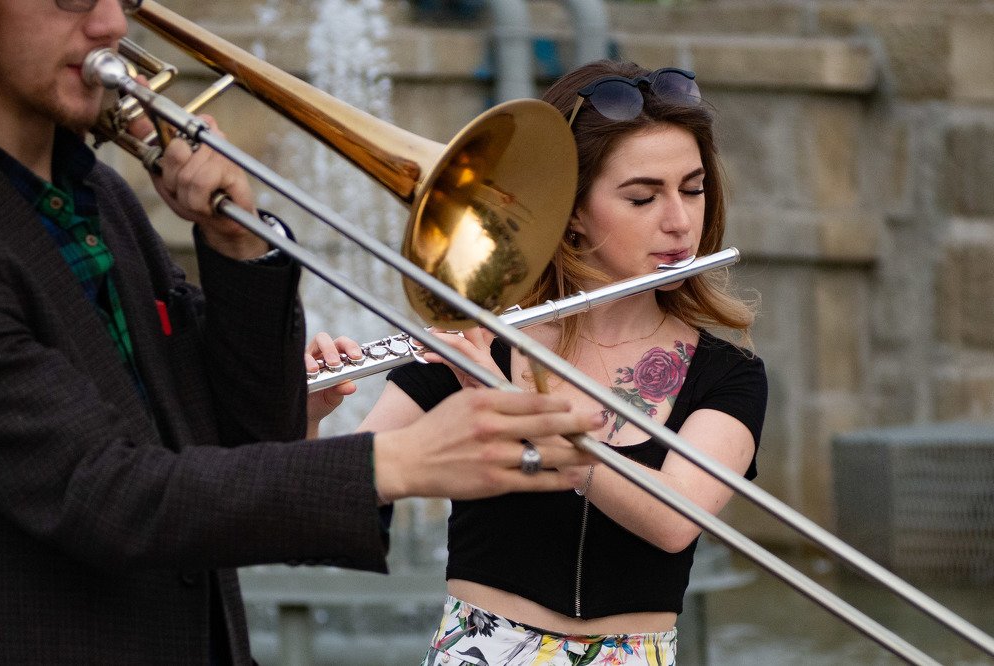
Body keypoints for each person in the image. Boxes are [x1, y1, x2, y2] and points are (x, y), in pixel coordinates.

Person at [0, 1, 602, 664]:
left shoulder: (101, 199)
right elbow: (107, 493)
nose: (112, 24)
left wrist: (237, 243)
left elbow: (248, 434)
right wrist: (396, 461)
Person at [329, 59, 769, 665]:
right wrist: (304, 408)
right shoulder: (479, 341)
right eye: (642, 197)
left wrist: (520, 409)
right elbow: (342, 491)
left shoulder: (730, 374)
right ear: (573, 210)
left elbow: (673, 521)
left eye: (692, 189)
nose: (679, 221)